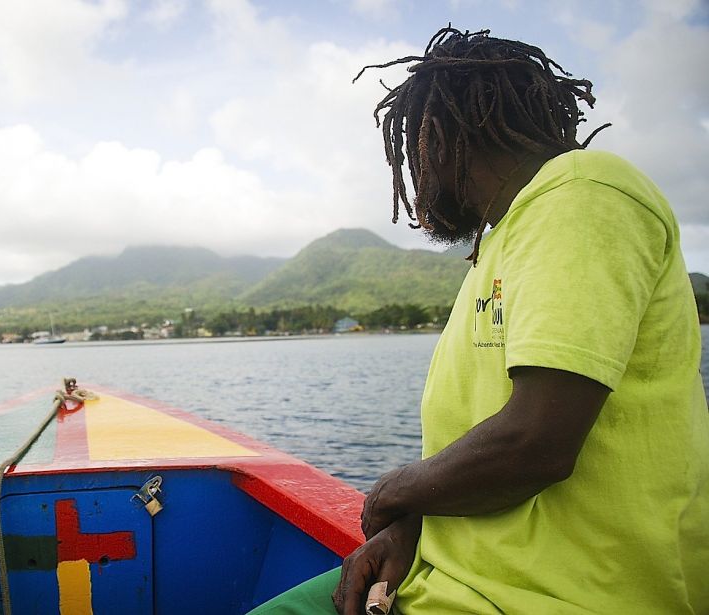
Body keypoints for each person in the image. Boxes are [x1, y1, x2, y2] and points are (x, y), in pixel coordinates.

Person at [248, 26, 709, 615]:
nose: (415, 181)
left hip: (558, 597)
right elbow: (492, 450)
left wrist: (391, 492)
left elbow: (534, 443)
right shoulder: (504, 242)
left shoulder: (585, 194)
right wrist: (410, 526)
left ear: (441, 143)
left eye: (415, 152)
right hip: (458, 577)